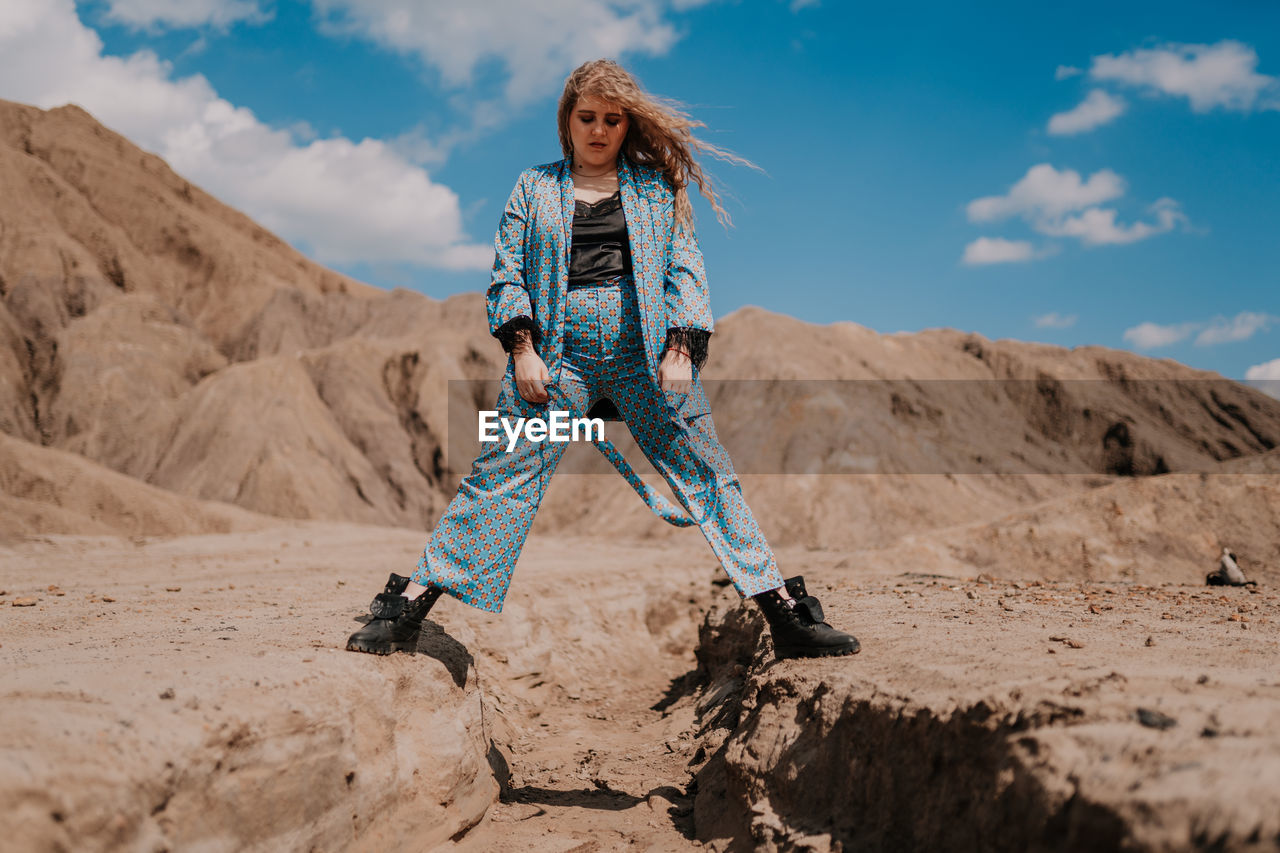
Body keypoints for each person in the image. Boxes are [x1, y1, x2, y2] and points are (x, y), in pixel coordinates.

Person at [345, 59, 858, 660]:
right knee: (499, 478)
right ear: (566, 121)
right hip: (554, 362)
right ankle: (407, 610)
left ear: (626, 125)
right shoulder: (533, 186)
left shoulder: (654, 187)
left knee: (709, 474)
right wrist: (522, 348)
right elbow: (507, 275)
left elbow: (684, 270)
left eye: (611, 120)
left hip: (646, 359)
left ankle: (786, 618)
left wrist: (681, 348)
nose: (598, 130)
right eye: (586, 117)